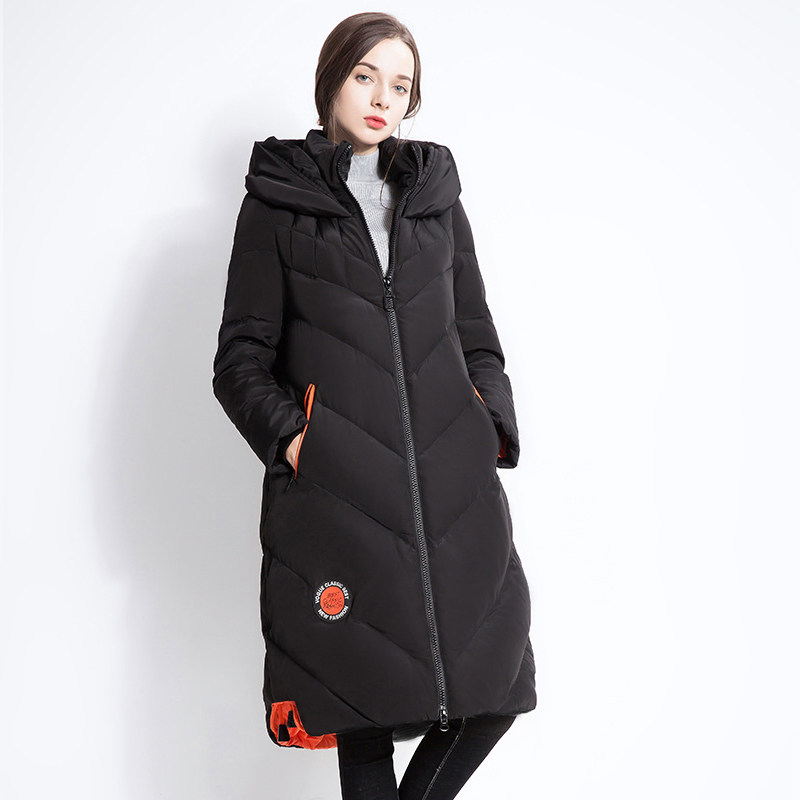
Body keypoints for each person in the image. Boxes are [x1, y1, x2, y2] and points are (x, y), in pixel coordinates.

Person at [212, 11, 537, 800]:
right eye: (366, 76)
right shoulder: (278, 204)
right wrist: (302, 444)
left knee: (494, 691)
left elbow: (477, 338)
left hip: (452, 493)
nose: (383, 98)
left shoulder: (434, 199)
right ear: (332, 80)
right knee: (362, 713)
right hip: (342, 497)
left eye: (401, 84)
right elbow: (240, 361)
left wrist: (486, 427)